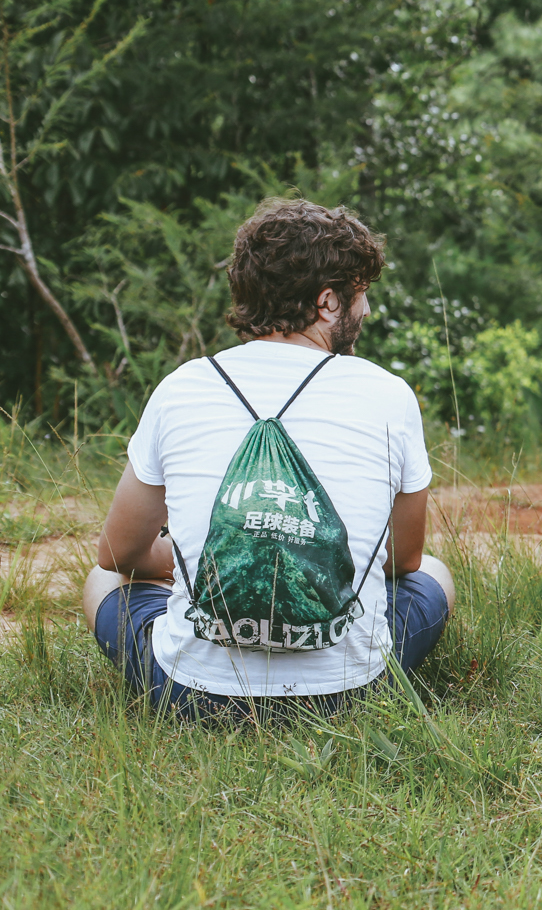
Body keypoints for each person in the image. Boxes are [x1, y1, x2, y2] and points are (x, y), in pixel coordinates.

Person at [83, 199, 454, 719]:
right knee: (435, 573)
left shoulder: (182, 386)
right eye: (360, 295)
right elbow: (404, 560)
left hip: (193, 696)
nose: (365, 310)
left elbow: (116, 554)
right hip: (347, 696)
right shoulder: (389, 395)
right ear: (328, 303)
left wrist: (215, 555)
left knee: (102, 581)